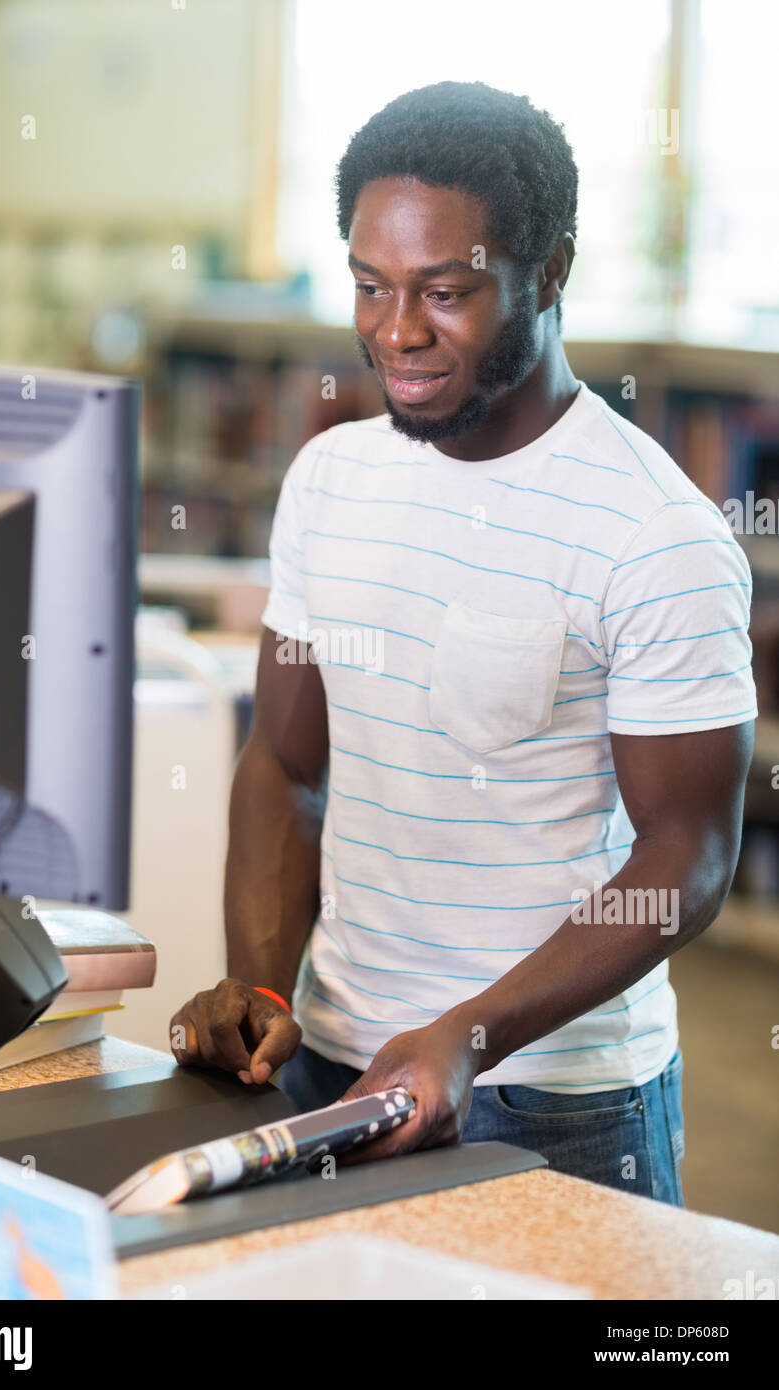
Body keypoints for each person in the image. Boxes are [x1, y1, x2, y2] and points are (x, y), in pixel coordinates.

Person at [170, 81, 756, 1204]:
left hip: (554, 1094)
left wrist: (470, 1035)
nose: (396, 331)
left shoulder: (653, 532)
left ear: (550, 271)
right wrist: (263, 991)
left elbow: (687, 858)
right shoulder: (331, 478)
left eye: (445, 292)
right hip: (329, 1064)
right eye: (371, 287)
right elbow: (287, 769)